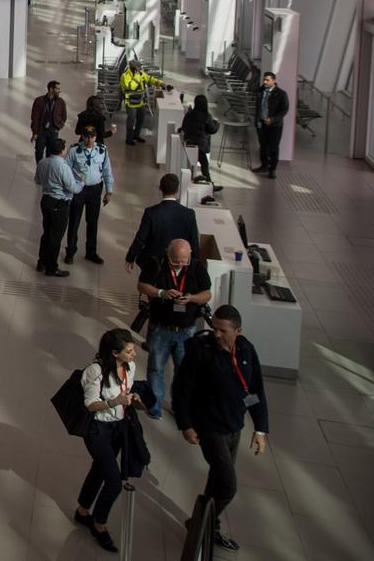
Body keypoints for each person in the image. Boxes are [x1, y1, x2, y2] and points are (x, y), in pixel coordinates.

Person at [172, 305, 270, 553]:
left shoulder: (246, 349)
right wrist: (185, 424)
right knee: (227, 484)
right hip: (209, 428)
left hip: (234, 427)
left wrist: (260, 429)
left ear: (238, 330)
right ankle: (201, 522)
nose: (215, 333)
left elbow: (255, 389)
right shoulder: (200, 350)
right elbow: (182, 388)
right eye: (213, 327)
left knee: (217, 478)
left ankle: (208, 526)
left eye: (222, 330)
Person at [72, 328, 141, 553]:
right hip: (98, 430)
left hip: (117, 428)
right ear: (114, 353)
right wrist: (115, 401)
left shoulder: (130, 367)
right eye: (129, 351)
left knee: (99, 470)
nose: (134, 354)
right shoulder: (96, 372)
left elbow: (126, 390)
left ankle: (82, 511)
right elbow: (90, 404)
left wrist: (131, 398)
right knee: (113, 482)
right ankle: (99, 525)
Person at [137, 238, 211, 421]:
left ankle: (180, 406)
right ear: (167, 255)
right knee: (156, 368)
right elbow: (142, 285)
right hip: (160, 328)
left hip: (186, 331)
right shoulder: (156, 263)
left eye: (184, 261)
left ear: (190, 256)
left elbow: (207, 294)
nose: (180, 265)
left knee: (184, 371)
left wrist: (191, 298)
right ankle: (154, 404)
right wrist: (162, 293)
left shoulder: (197, 267)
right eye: (176, 261)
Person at [124, 174, 199, 273]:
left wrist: (130, 257)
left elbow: (140, 239)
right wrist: (196, 265)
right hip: (178, 262)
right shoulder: (189, 214)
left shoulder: (151, 213)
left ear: (160, 189)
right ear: (177, 190)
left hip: (154, 262)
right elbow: (194, 242)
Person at [66, 124, 114, 265]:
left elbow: (107, 171)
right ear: (82, 136)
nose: (89, 140)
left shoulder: (102, 150)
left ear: (96, 136)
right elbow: (66, 170)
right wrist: (68, 189)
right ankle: (70, 252)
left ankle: (91, 252)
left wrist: (109, 191)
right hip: (78, 190)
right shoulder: (74, 150)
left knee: (92, 222)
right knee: (74, 221)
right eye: (86, 137)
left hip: (95, 189)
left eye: (92, 137)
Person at [33, 137, 77, 277]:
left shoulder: (42, 162)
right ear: (63, 151)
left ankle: (41, 262)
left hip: (46, 200)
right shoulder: (63, 167)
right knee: (55, 237)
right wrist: (81, 182)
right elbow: (73, 187)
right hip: (59, 204)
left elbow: (37, 180)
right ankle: (52, 267)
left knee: (46, 233)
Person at [180, 93, 222, 191]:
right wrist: (217, 123)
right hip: (200, 144)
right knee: (204, 165)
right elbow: (212, 130)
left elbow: (184, 126)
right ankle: (209, 185)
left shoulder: (189, 114)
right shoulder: (207, 116)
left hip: (188, 142)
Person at [252, 72, 289, 179]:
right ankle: (264, 165)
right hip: (261, 124)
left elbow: (284, 110)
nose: (265, 82)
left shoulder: (281, 94)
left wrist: (273, 119)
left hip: (275, 126)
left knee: (273, 147)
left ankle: (272, 169)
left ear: (274, 80)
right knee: (263, 146)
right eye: (264, 80)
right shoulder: (261, 91)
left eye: (267, 80)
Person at [120, 61, 165, 145]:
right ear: (134, 68)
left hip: (140, 102)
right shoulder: (125, 76)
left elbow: (150, 79)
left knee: (141, 119)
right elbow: (131, 87)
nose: (140, 68)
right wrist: (137, 76)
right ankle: (129, 138)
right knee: (131, 120)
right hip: (130, 102)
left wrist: (161, 83)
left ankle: (136, 135)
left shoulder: (141, 73)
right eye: (139, 67)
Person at [29, 80, 67, 162]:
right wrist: (35, 132)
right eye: (57, 89)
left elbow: (64, 116)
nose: (59, 91)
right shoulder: (39, 100)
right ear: (51, 89)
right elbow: (34, 118)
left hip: (53, 131)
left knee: (51, 153)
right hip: (41, 131)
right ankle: (40, 168)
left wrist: (59, 126)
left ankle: (48, 170)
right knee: (39, 151)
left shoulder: (61, 102)